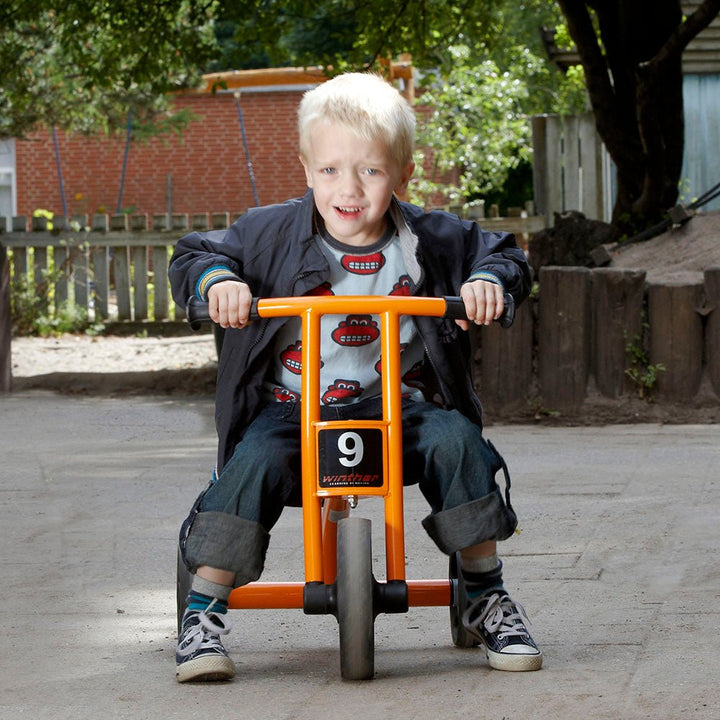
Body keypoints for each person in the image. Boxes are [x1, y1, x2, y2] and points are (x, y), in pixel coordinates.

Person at [169, 71, 541, 683]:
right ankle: (204, 610)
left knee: (459, 444)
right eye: (330, 170)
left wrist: (488, 283)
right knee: (251, 464)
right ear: (307, 168)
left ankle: (483, 591)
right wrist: (220, 284)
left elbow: (502, 253)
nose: (349, 188)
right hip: (292, 409)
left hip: (400, 406)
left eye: (370, 170)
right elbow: (195, 253)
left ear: (402, 173)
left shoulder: (434, 239)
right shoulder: (268, 235)